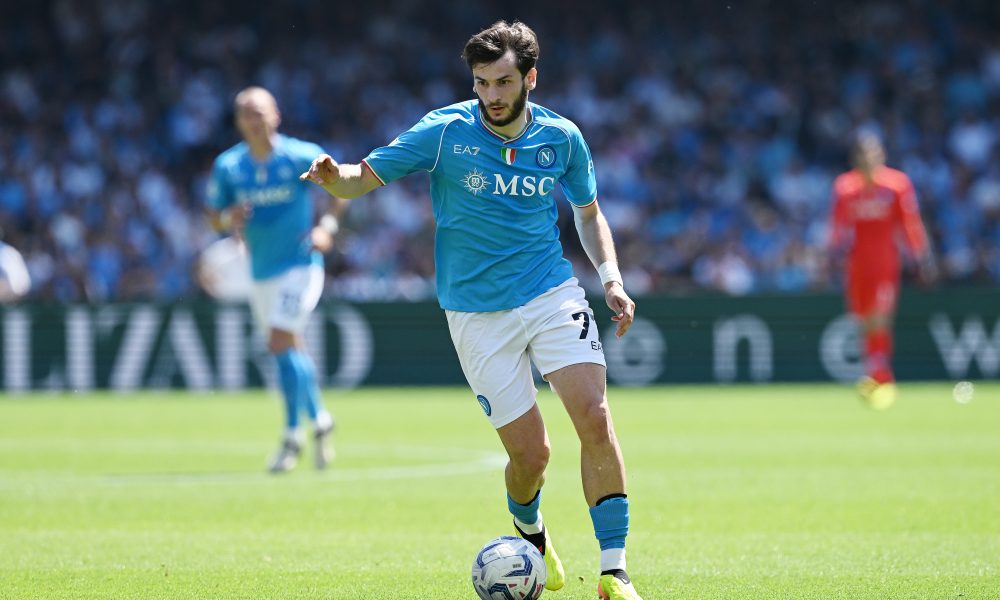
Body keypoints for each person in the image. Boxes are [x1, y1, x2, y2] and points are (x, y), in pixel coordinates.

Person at [300, 21, 642, 600]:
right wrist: (338, 181)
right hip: (476, 314)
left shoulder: (562, 138)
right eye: (482, 82)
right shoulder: (445, 131)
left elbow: (587, 211)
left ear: (530, 78)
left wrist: (610, 279)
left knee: (595, 415)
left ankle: (614, 571)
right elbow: (366, 176)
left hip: (550, 291)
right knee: (531, 455)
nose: (491, 95)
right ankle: (530, 533)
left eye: (504, 81)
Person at [206, 86, 340, 472]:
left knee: (280, 341)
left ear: (275, 115)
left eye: (259, 111)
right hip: (261, 270)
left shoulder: (300, 155)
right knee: (289, 348)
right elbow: (213, 216)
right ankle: (321, 420)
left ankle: (291, 436)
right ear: (238, 122)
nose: (254, 118)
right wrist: (229, 218)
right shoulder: (229, 167)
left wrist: (326, 228)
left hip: (301, 264)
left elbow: (339, 191)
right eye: (246, 112)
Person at [828, 131, 935, 410]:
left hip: (885, 263)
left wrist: (920, 258)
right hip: (856, 265)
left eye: (872, 153)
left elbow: (909, 224)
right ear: (855, 158)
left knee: (879, 318)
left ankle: (881, 377)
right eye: (862, 154)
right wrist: (832, 255)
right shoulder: (845, 187)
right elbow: (838, 228)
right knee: (863, 321)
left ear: (881, 155)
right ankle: (874, 373)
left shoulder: (897, 185)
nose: (868, 159)